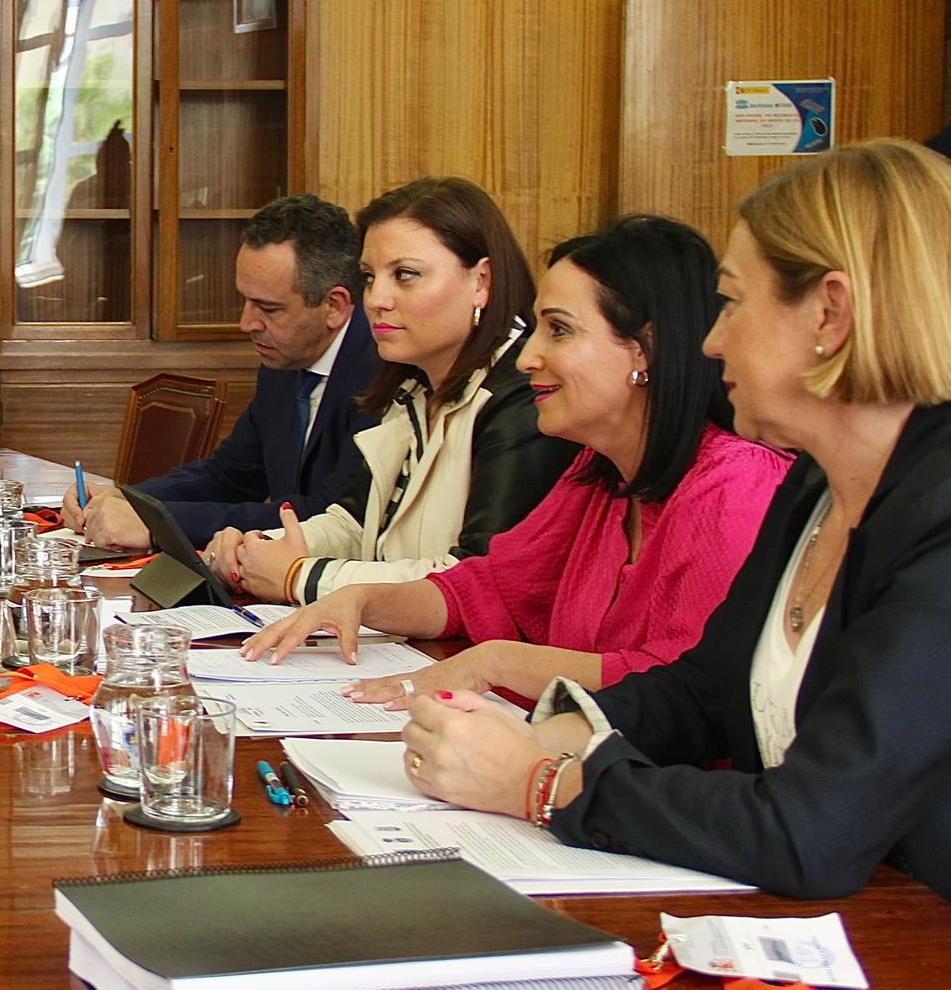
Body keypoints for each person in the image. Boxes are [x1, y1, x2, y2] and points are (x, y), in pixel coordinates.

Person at [403, 140, 951, 900]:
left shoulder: (939, 525)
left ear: (830, 314)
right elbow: (700, 694)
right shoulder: (817, 488)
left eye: (731, 301)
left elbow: (809, 831)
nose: (711, 338)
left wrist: (545, 782)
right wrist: (539, 738)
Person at [244, 216, 790, 707]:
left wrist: (498, 663)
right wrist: (362, 600)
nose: (529, 357)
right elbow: (487, 588)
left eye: (559, 330)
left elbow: (687, 688)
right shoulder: (596, 475)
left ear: (644, 348)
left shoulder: (733, 486)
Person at [210, 177, 578, 605]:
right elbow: (353, 524)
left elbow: (474, 575)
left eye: (405, 275)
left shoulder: (523, 398)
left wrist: (302, 577)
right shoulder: (414, 384)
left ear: (481, 281)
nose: (377, 298)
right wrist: (257, 549)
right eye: (369, 277)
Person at [64, 194, 380, 550]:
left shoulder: (383, 376)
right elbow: (230, 475)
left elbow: (325, 513)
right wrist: (126, 499)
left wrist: (157, 523)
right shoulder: (283, 361)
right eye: (244, 300)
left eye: (268, 308)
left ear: (334, 306)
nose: (247, 323)